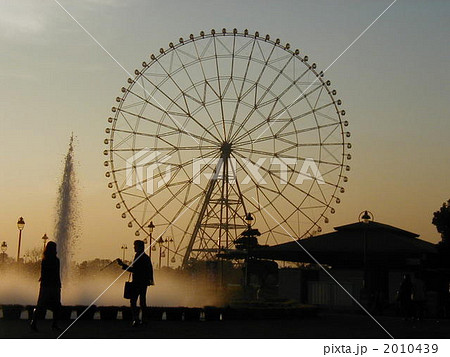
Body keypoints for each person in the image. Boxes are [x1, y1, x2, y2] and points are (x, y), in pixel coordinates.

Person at [117, 240, 154, 327]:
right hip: (143, 283)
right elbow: (150, 270)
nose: (134, 247)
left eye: (135, 246)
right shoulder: (146, 257)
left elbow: (135, 270)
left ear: (139, 247)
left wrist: (123, 265)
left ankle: (136, 319)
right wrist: (149, 281)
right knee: (142, 302)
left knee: (133, 301)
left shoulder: (139, 257)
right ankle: (144, 319)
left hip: (137, 282)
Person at [30, 241, 61, 331]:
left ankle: (33, 322)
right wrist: (59, 285)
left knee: (40, 305)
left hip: (45, 285)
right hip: (53, 285)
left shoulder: (45, 260)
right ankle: (54, 324)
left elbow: (44, 272)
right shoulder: (56, 260)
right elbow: (57, 273)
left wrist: (42, 279)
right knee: (56, 306)